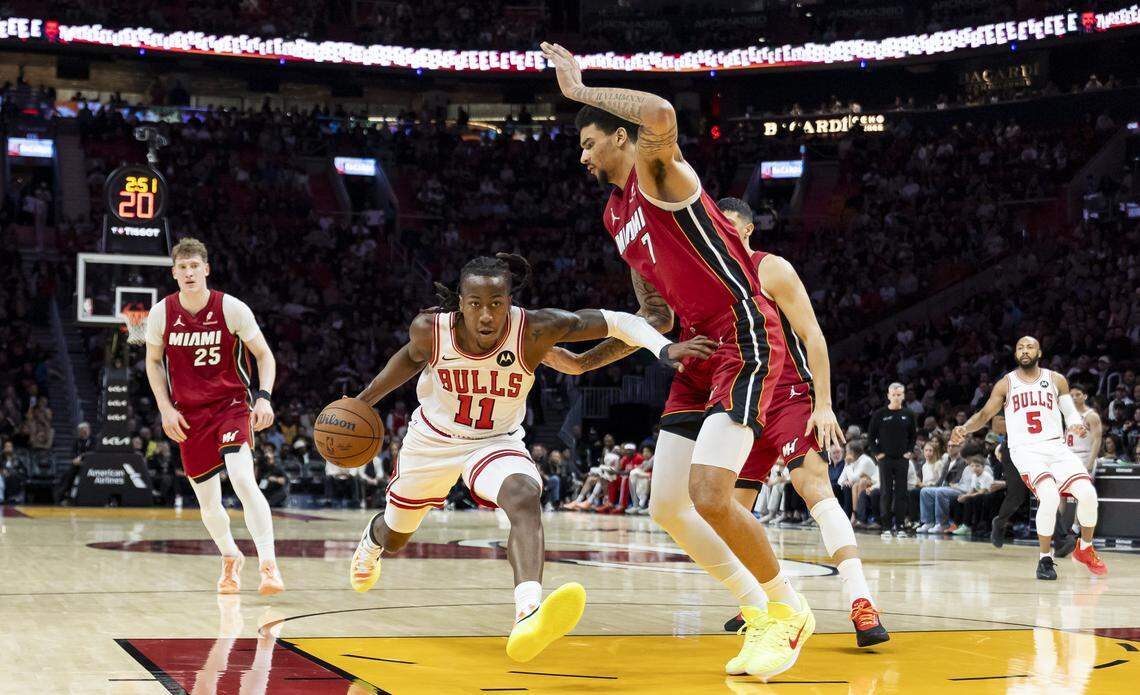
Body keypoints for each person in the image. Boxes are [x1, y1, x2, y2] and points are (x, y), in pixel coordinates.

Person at [549, 195, 886, 646]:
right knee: (722, 511)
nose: (711, 235)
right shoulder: (694, 277)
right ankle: (765, 603)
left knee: (814, 489)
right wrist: (585, 361)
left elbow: (813, 334)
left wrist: (823, 404)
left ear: (744, 230)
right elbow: (652, 323)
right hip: (726, 397)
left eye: (723, 227)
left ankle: (860, 601)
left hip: (783, 394)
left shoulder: (771, 268)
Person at [346, 253, 714, 663]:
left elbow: (615, 320)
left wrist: (663, 349)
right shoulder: (431, 330)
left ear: (509, 301)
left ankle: (528, 612)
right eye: (475, 304)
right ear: (460, 303)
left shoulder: (535, 327)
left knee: (523, 497)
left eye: (496, 304)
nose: (486, 315)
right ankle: (372, 539)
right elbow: (409, 360)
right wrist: (362, 402)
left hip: (495, 440)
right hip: (433, 442)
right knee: (396, 536)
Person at [144, 238, 285, 595]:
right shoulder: (162, 313)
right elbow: (152, 361)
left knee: (241, 479)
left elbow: (265, 356)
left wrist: (264, 398)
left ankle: (268, 565)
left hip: (231, 406)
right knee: (207, 504)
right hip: (189, 415)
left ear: (206, 269)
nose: (189, 272)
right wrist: (165, 408)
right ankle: (230, 557)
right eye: (183, 267)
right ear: (174, 273)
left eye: (195, 266)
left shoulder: (231, 308)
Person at [951, 336, 1107, 580]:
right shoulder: (1006, 383)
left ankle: (1084, 549)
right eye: (1020, 348)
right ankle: (1045, 559)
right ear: (1016, 354)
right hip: (1025, 450)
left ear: (1039, 352)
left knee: (1088, 495)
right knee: (1049, 496)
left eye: (1030, 347)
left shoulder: (1056, 379)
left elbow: (1069, 412)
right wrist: (964, 428)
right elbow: (984, 415)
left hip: (1056, 447)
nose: (1025, 350)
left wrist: (1076, 425)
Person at [867, 383, 918, 537]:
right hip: (885, 459)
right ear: (888, 396)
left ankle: (900, 526)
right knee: (885, 492)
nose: (896, 397)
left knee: (901, 493)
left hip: (902, 459)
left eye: (899, 394)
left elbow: (913, 435)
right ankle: (886, 527)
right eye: (893, 394)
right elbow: (871, 436)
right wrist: (877, 453)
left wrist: (909, 451)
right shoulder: (880, 414)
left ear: (903, 396)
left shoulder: (908, 414)